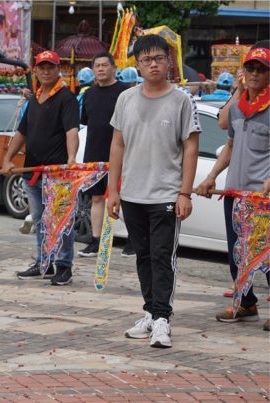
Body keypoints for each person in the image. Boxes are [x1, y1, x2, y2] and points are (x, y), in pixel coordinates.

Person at [107, 34, 201, 349]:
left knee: (163, 257)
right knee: (143, 257)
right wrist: (113, 191)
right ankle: (150, 311)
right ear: (137, 64)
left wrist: (184, 193)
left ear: (168, 61)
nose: (153, 64)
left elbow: (191, 148)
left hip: (166, 195)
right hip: (132, 194)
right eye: (146, 59)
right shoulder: (125, 99)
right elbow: (117, 145)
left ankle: (162, 319)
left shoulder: (182, 100)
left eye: (159, 58)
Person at [196, 46, 270, 331]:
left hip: (262, 199)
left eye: (261, 69)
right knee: (237, 253)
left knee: (266, 254)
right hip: (235, 194)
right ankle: (245, 303)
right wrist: (212, 176)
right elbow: (229, 144)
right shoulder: (239, 107)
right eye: (250, 68)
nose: (254, 73)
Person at [3, 50, 80, 284]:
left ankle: (64, 265)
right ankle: (43, 261)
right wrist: (8, 158)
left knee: (61, 218)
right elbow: (21, 132)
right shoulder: (34, 99)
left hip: (56, 173)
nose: (46, 71)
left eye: (51, 67)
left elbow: (72, 131)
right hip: (31, 171)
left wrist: (71, 158)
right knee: (39, 218)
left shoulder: (66, 98)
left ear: (58, 70)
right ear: (35, 70)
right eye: (41, 67)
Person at [77, 52, 131, 258]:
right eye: (96, 66)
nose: (100, 69)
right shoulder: (89, 94)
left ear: (114, 68)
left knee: (125, 198)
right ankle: (96, 241)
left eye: (104, 65)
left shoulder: (124, 93)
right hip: (94, 153)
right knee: (96, 198)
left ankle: (132, 241)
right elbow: (86, 122)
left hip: (121, 154)